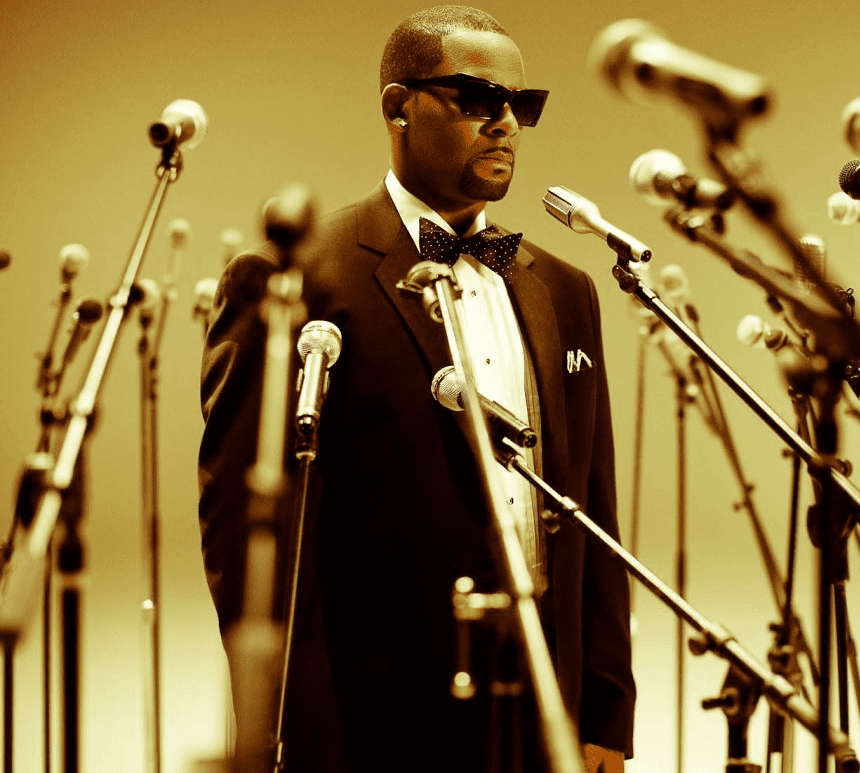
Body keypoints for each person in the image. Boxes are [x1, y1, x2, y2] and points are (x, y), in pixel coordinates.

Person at [198, 6, 635, 772]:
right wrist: (290, 730)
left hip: (544, 707)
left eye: (521, 105)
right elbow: (246, 538)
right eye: (477, 98)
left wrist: (606, 709)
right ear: (399, 107)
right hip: (378, 717)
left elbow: (593, 508)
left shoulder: (567, 288)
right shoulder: (295, 279)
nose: (505, 122)